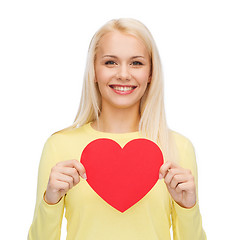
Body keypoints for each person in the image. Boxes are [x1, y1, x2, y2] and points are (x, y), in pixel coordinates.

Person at [28, 18, 207, 240]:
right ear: (94, 70)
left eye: (136, 63)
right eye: (111, 62)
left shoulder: (178, 147)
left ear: (150, 73)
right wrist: (50, 201)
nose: (123, 74)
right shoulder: (59, 145)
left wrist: (187, 207)